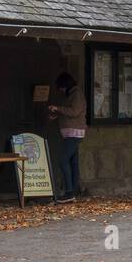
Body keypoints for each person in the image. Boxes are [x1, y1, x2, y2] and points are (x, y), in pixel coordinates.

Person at [48, 72, 87, 202]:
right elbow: (68, 111)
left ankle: (69, 192)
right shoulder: (71, 94)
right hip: (70, 133)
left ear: (66, 85)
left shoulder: (77, 94)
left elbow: (74, 112)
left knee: (63, 160)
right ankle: (74, 191)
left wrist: (58, 108)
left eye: (61, 88)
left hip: (74, 133)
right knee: (73, 162)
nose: (61, 90)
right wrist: (58, 114)